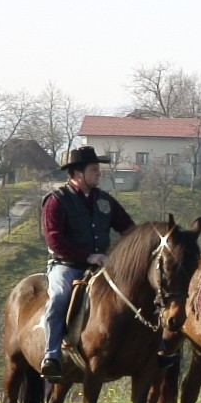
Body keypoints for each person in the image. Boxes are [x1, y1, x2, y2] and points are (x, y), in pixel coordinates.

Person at [40, 146, 135, 380]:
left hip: (102, 266)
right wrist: (86, 257)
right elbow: (54, 239)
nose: (99, 173)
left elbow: (129, 229)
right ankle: (51, 354)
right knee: (59, 297)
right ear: (78, 173)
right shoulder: (56, 201)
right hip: (66, 265)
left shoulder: (105, 201)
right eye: (94, 169)